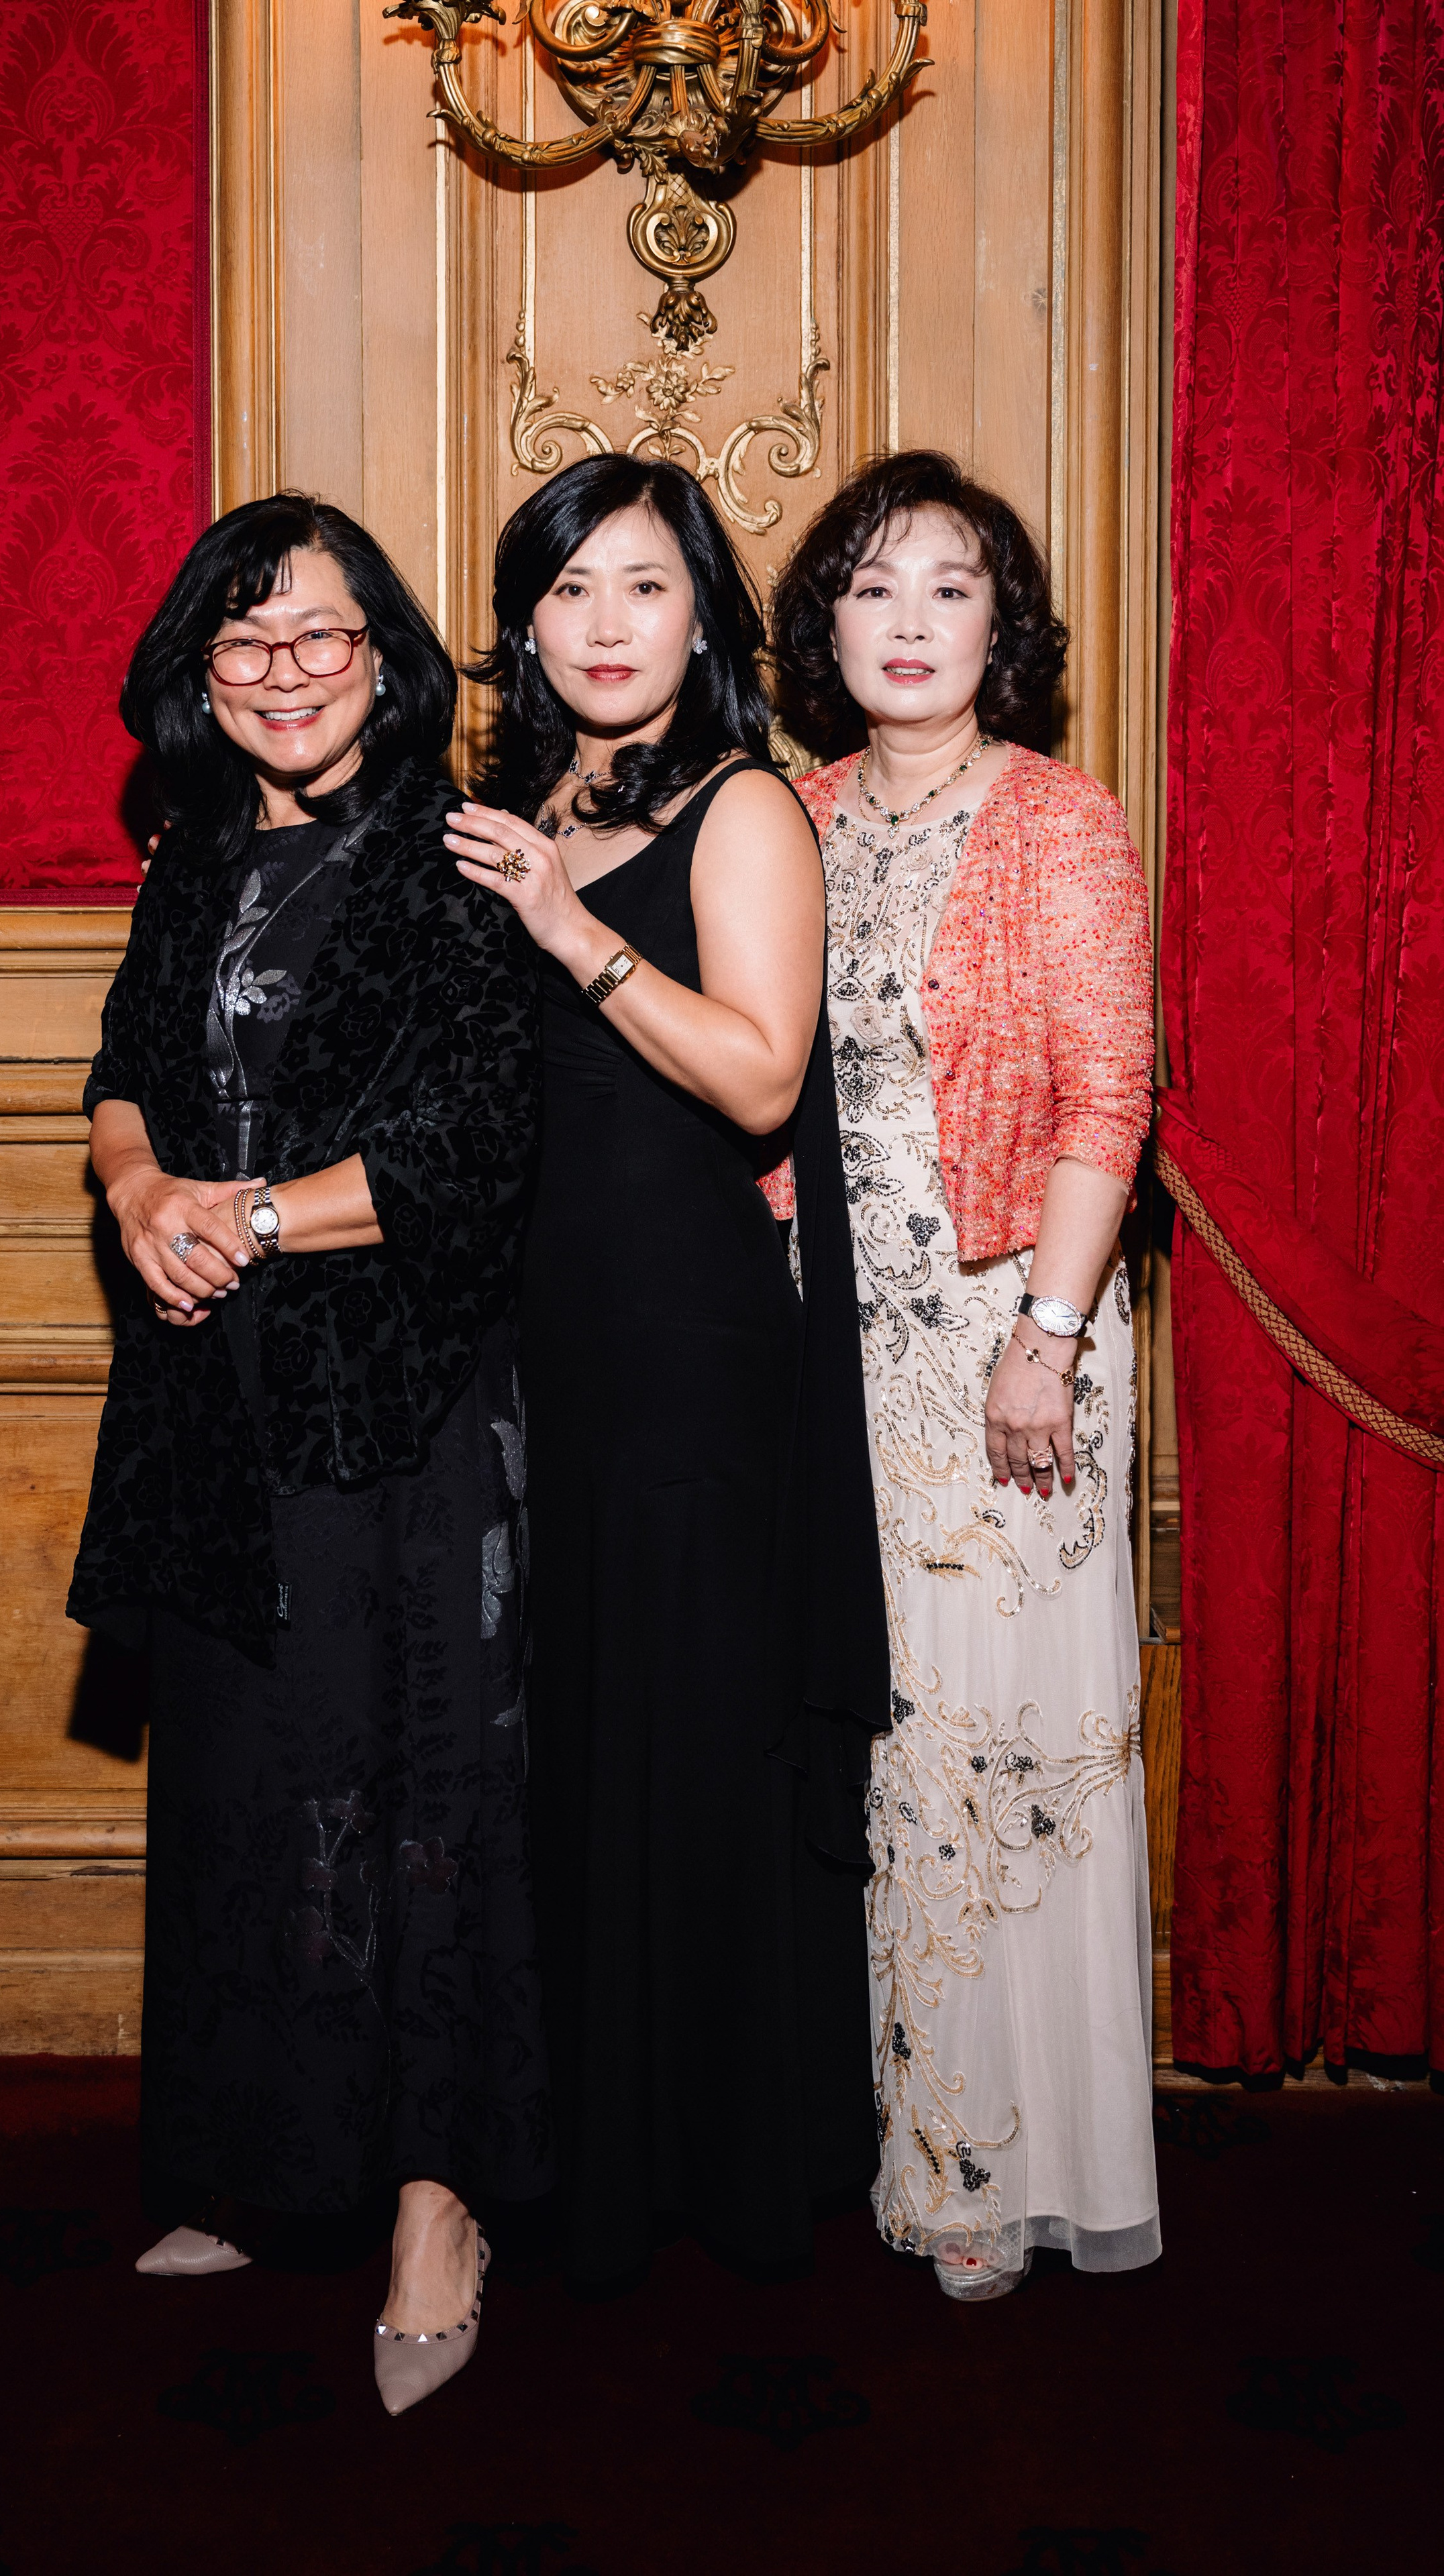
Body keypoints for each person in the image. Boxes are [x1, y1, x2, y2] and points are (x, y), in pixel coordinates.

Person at [67, 492, 551, 2412]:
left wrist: (243, 1217)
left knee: (414, 1793)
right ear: (204, 675)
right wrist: (135, 1196)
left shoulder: (450, 863)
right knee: (250, 1785)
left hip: (401, 1395)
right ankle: (264, 2162)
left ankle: (442, 2202)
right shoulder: (193, 857)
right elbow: (121, 1071)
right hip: (212, 1400)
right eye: (240, 643)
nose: (279, 672)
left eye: (317, 634)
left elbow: (467, 1156)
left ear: (388, 656)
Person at [445, 454, 887, 2288]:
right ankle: (576, 2157)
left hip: (693, 1350)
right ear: (527, 626)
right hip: (532, 1339)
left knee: (687, 1743)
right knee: (566, 1741)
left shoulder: (746, 810)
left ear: (703, 611)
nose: (604, 626)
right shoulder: (517, 800)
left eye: (640, 587)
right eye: (566, 593)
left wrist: (564, 926)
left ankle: (722, 2158)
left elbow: (764, 1075)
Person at [770, 449, 1162, 2299]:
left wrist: (1048, 1343)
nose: (909, 621)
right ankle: (911, 2142)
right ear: (819, 623)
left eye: (950, 586)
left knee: (1002, 1763)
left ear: (1003, 625)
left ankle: (1008, 2175)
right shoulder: (790, 811)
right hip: (828, 1347)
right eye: (870, 583)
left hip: (1011, 1336)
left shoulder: (1059, 816)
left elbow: (1109, 1099)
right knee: (878, 1756)